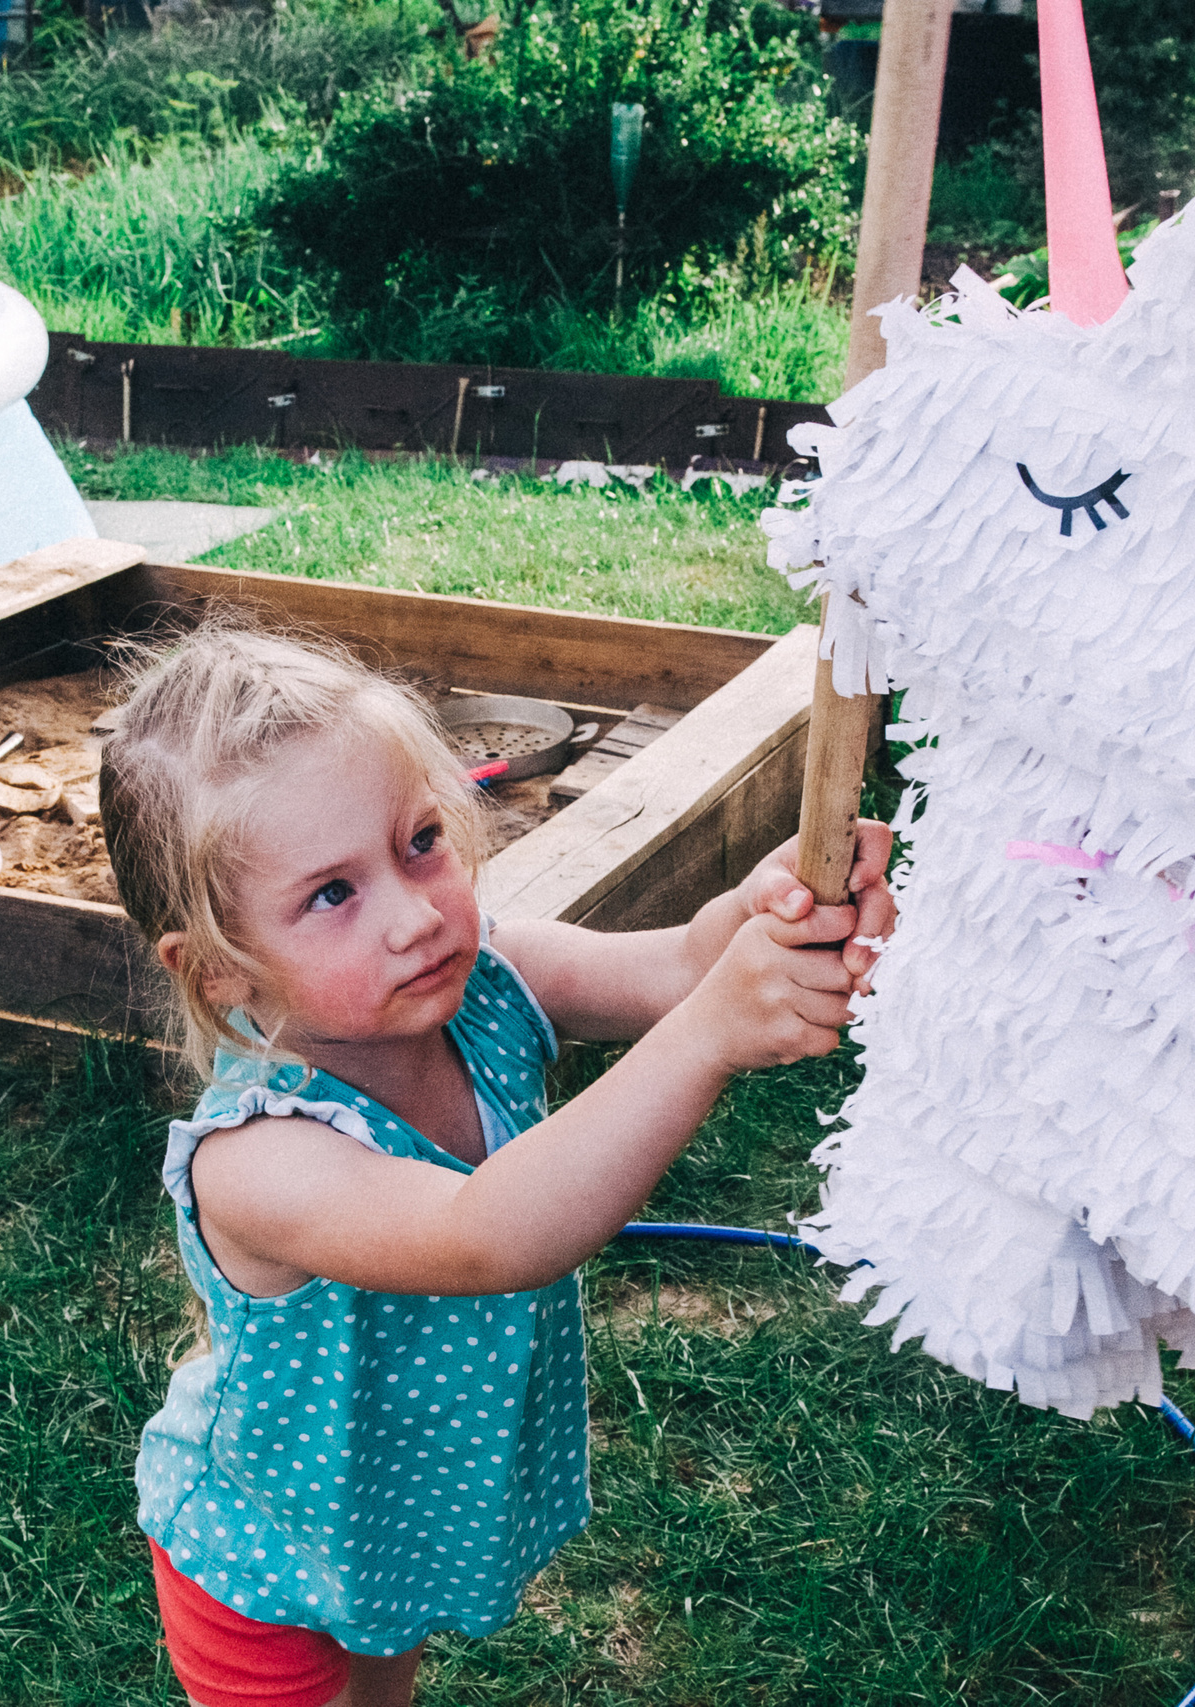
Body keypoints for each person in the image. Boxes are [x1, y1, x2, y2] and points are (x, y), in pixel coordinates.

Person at [99, 622, 895, 1707]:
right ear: (223, 971)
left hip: (390, 1523)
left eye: (419, 839)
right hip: (268, 1562)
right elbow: (492, 1234)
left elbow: (674, 965)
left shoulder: (490, 978)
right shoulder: (258, 1158)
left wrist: (761, 916)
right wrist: (714, 1029)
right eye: (332, 894)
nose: (415, 913)